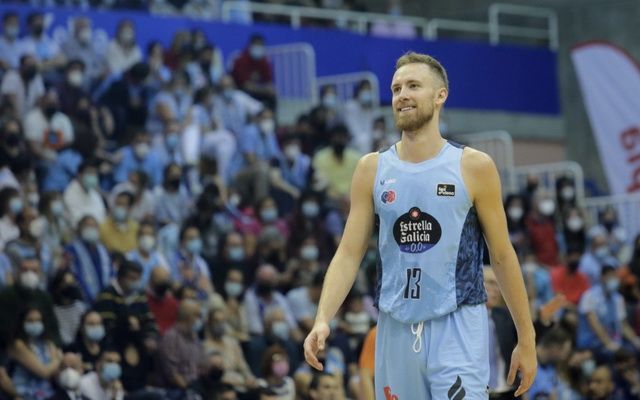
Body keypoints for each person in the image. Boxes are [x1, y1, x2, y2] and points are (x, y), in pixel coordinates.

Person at [303, 52, 537, 398]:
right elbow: (349, 253)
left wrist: (526, 337)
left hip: (458, 324)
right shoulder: (371, 168)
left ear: (440, 95)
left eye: (413, 86)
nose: (402, 95)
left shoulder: (474, 166)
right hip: (395, 325)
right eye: (396, 88)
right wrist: (323, 317)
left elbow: (502, 256)